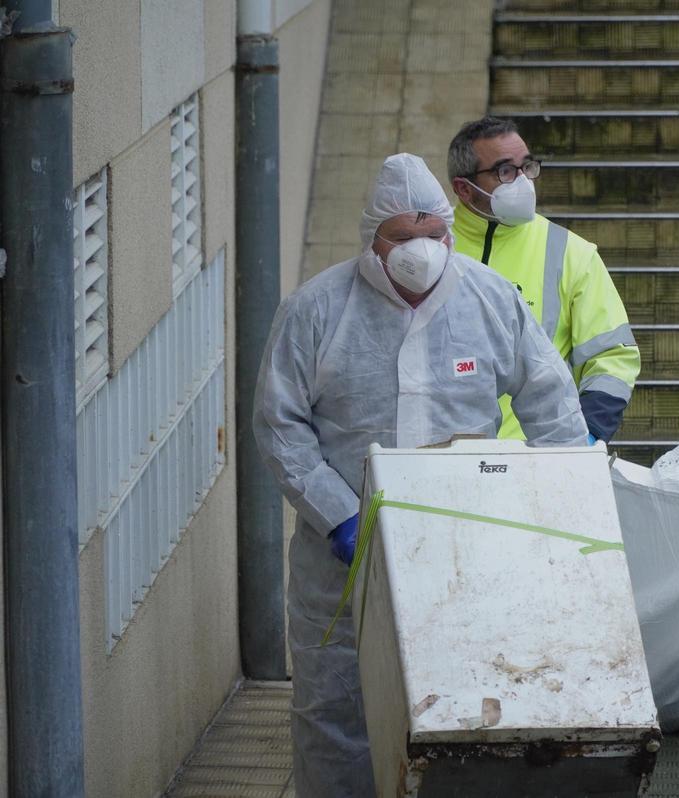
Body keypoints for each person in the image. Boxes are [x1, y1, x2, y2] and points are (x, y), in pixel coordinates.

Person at [253, 153, 589, 796]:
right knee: (337, 711)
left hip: (465, 549)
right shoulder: (316, 310)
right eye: (403, 236)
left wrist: (566, 503)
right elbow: (279, 423)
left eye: (433, 233)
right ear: (372, 240)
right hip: (343, 564)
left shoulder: (490, 299)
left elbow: (550, 400)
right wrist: (339, 515)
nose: (421, 250)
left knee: (466, 704)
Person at [447, 116, 640, 444]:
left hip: (536, 457)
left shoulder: (570, 252)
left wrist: (587, 433)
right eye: (505, 171)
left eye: (527, 167)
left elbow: (612, 356)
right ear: (464, 188)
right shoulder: (434, 251)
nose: (523, 181)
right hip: (440, 455)